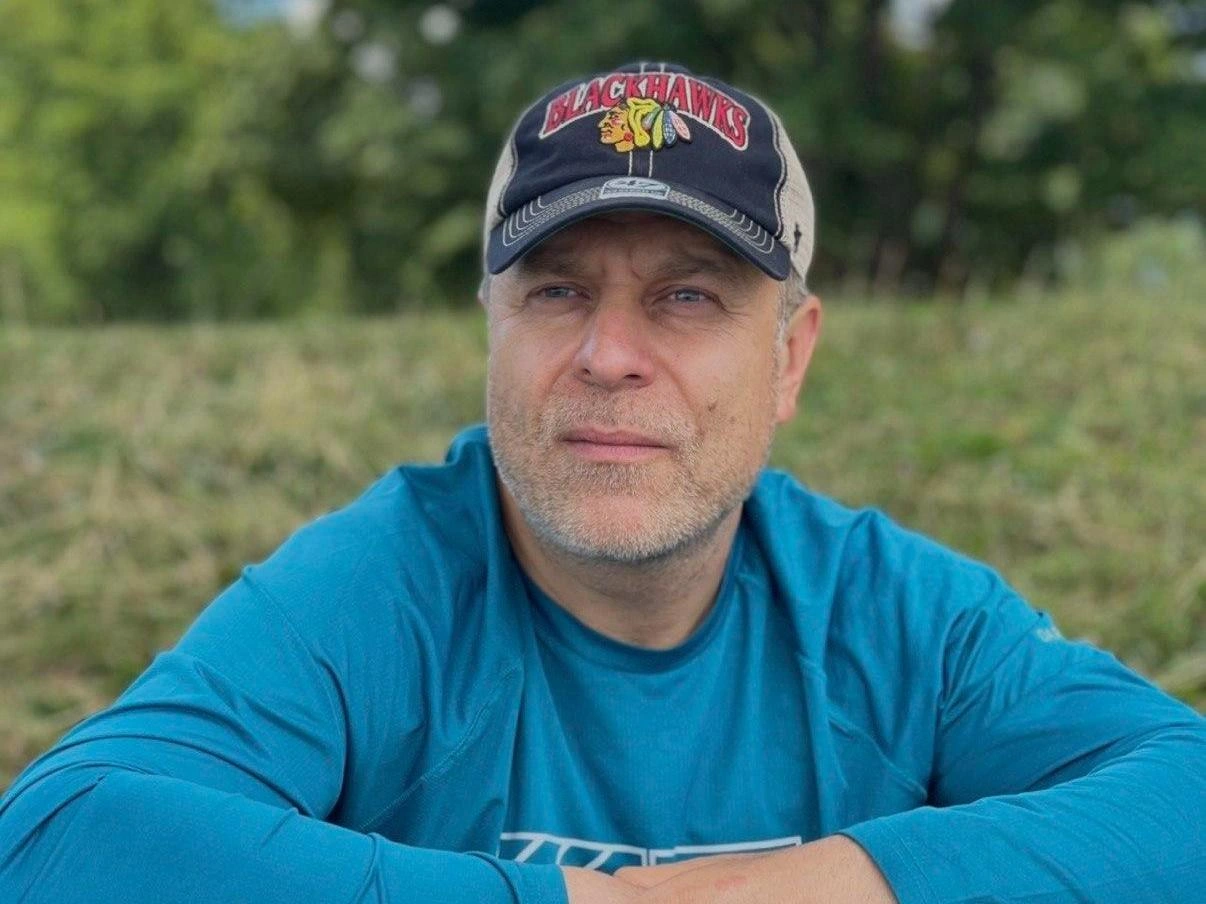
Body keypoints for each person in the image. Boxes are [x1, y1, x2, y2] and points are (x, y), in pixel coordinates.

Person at [0, 61, 1202, 904]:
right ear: (492, 327)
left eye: (688, 295)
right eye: (558, 290)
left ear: (789, 357)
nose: (609, 353)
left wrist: (831, 884)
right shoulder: (383, 586)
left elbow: (1183, 792)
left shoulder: (887, 614)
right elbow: (61, 835)